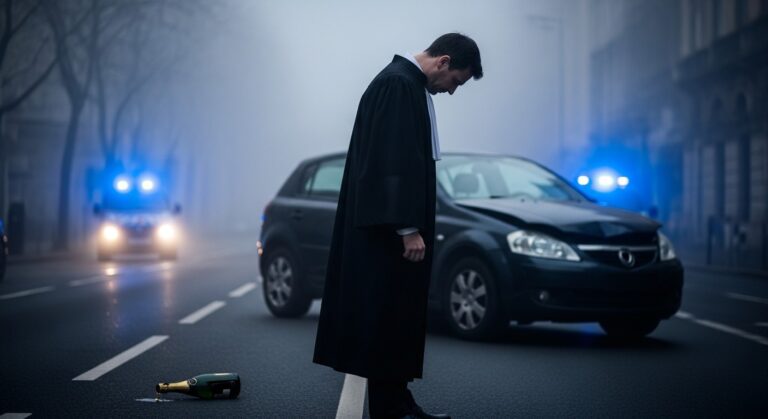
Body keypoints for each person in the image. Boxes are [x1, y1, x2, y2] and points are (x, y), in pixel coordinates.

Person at [313, 33, 483, 419]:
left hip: (388, 230)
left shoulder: (403, 83)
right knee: (388, 316)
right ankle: (392, 409)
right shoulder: (398, 85)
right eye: (456, 81)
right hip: (389, 233)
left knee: (395, 316)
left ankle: (399, 402)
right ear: (443, 61)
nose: (451, 91)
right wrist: (407, 227)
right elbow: (391, 160)